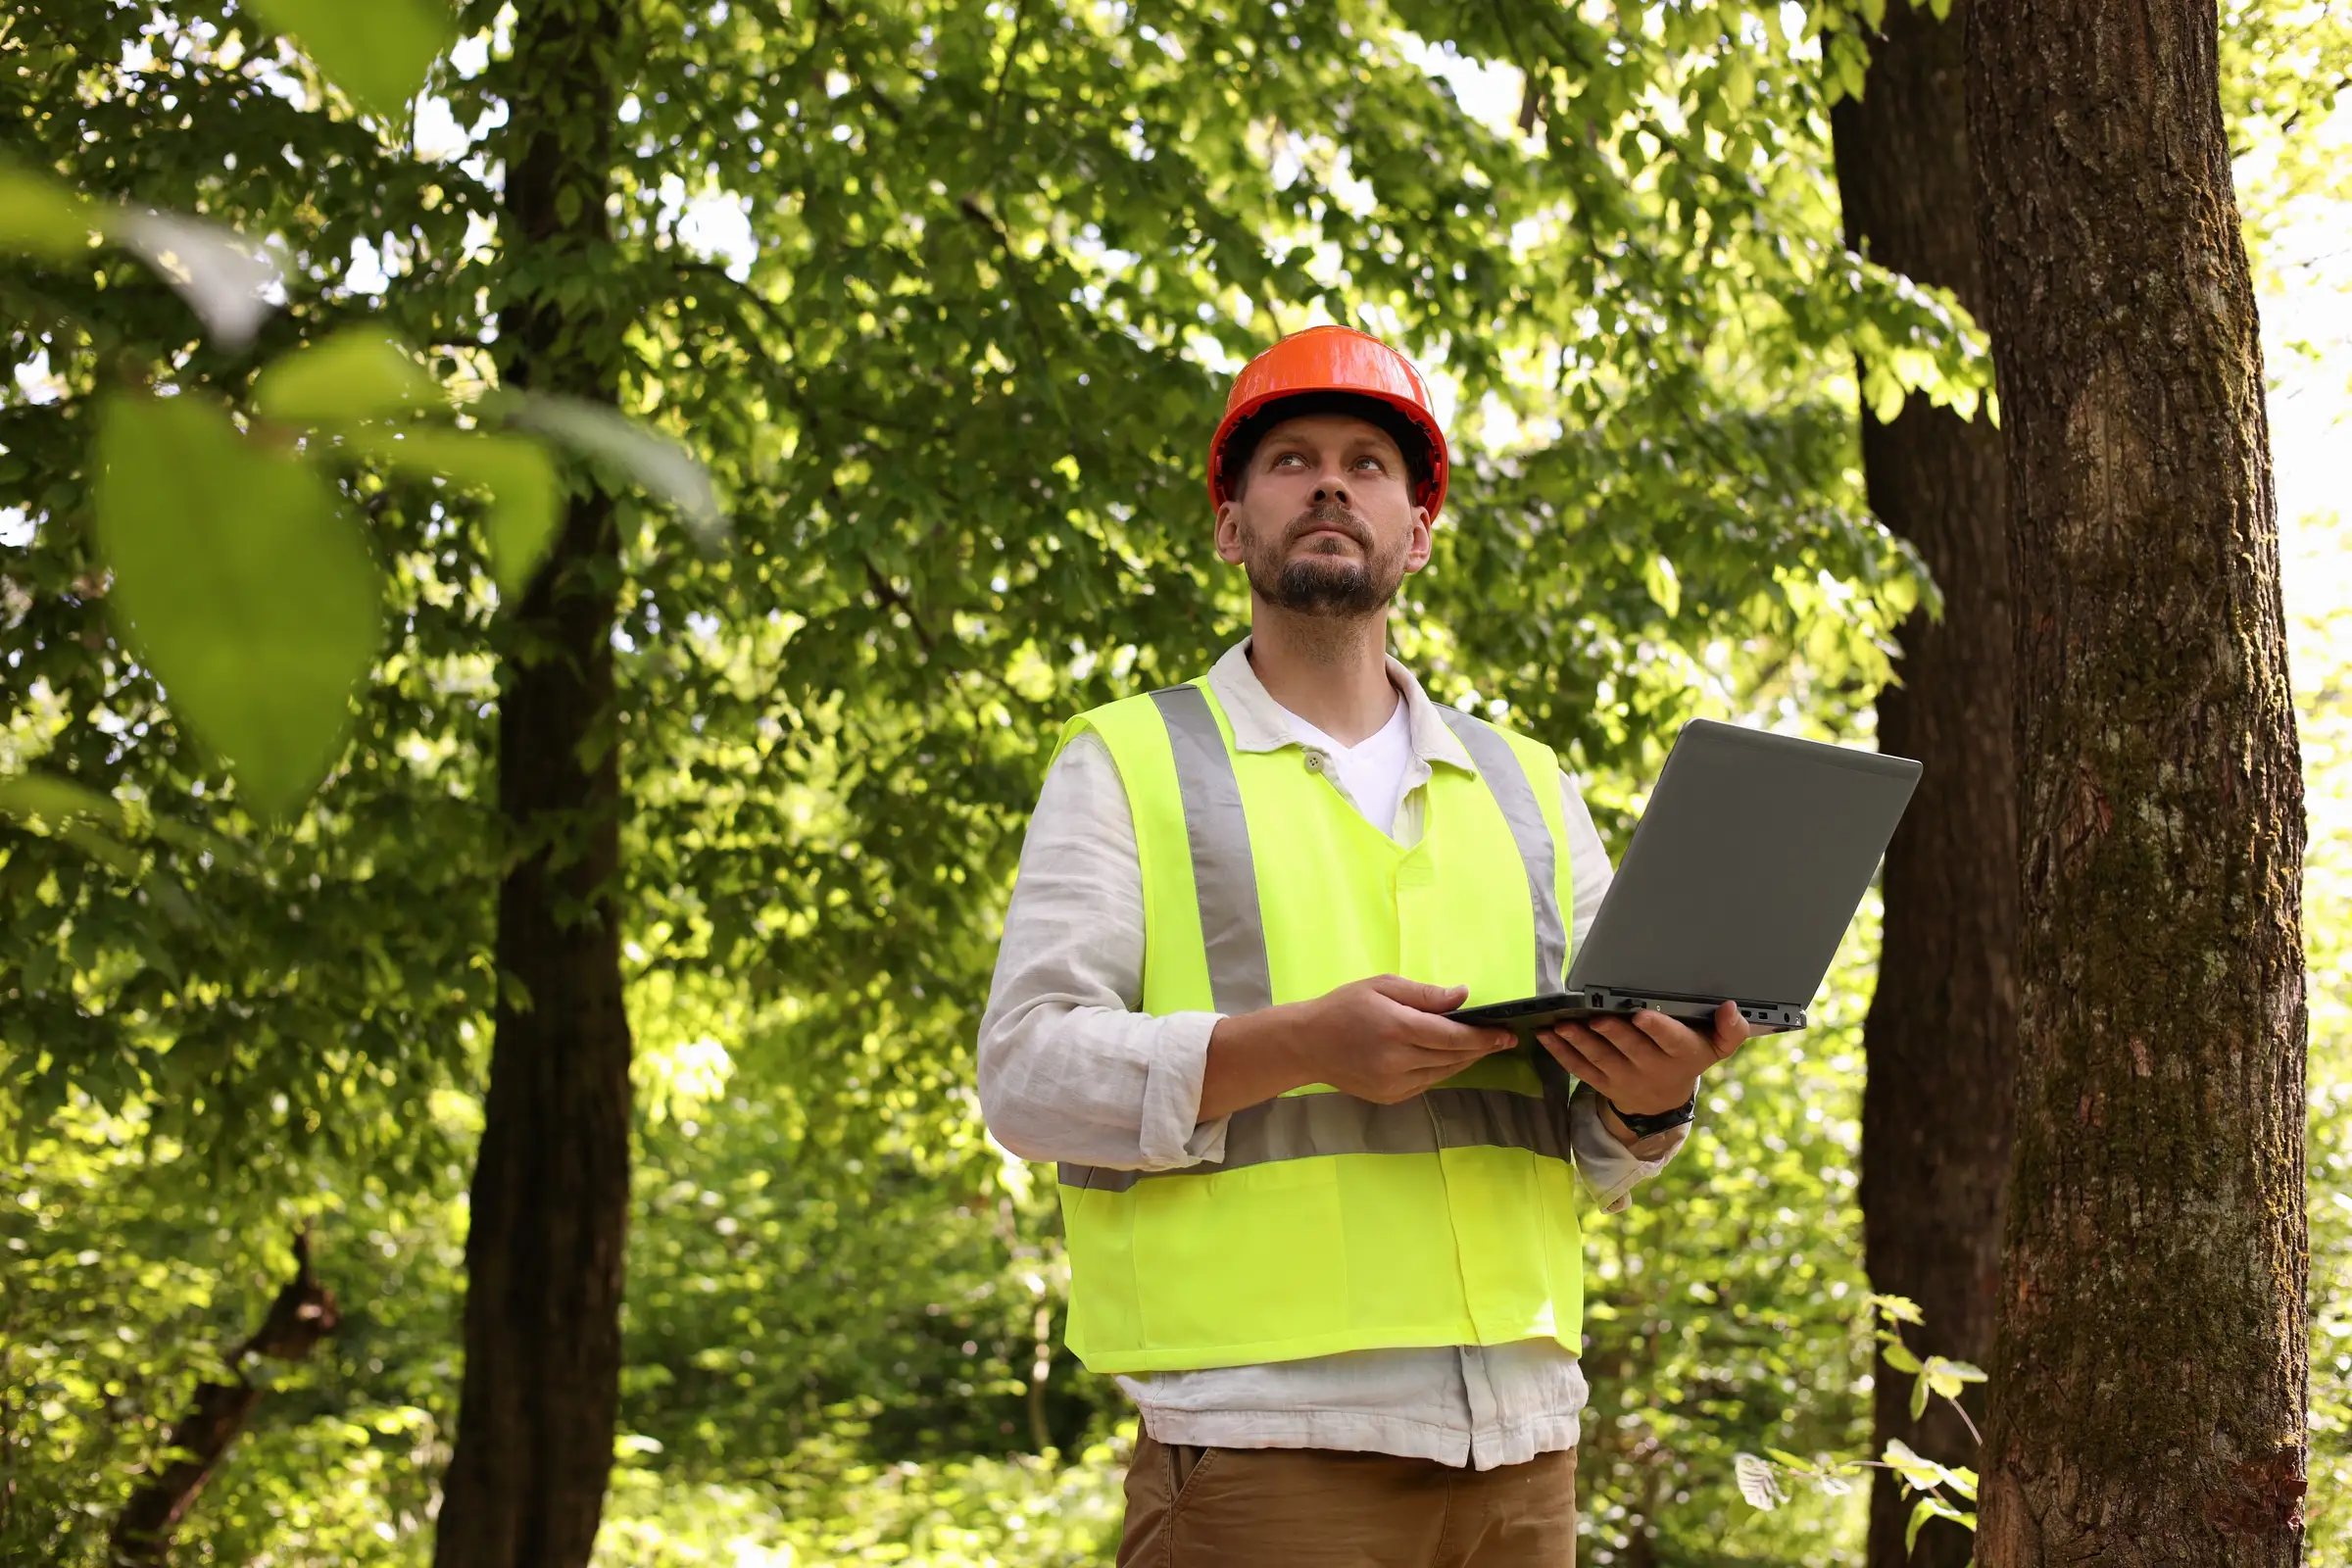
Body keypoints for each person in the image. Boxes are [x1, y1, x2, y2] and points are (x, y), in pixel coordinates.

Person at [977, 324, 1753, 1566]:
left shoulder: (1530, 789)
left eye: (1369, 464)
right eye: (1290, 459)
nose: (1332, 482)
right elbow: (1024, 1075)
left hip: (1525, 1457)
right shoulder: (1129, 762)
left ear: (1418, 532)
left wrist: (1656, 1102)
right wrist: (1295, 1046)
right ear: (1233, 527)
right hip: (1263, 1449)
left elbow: (1603, 1143)